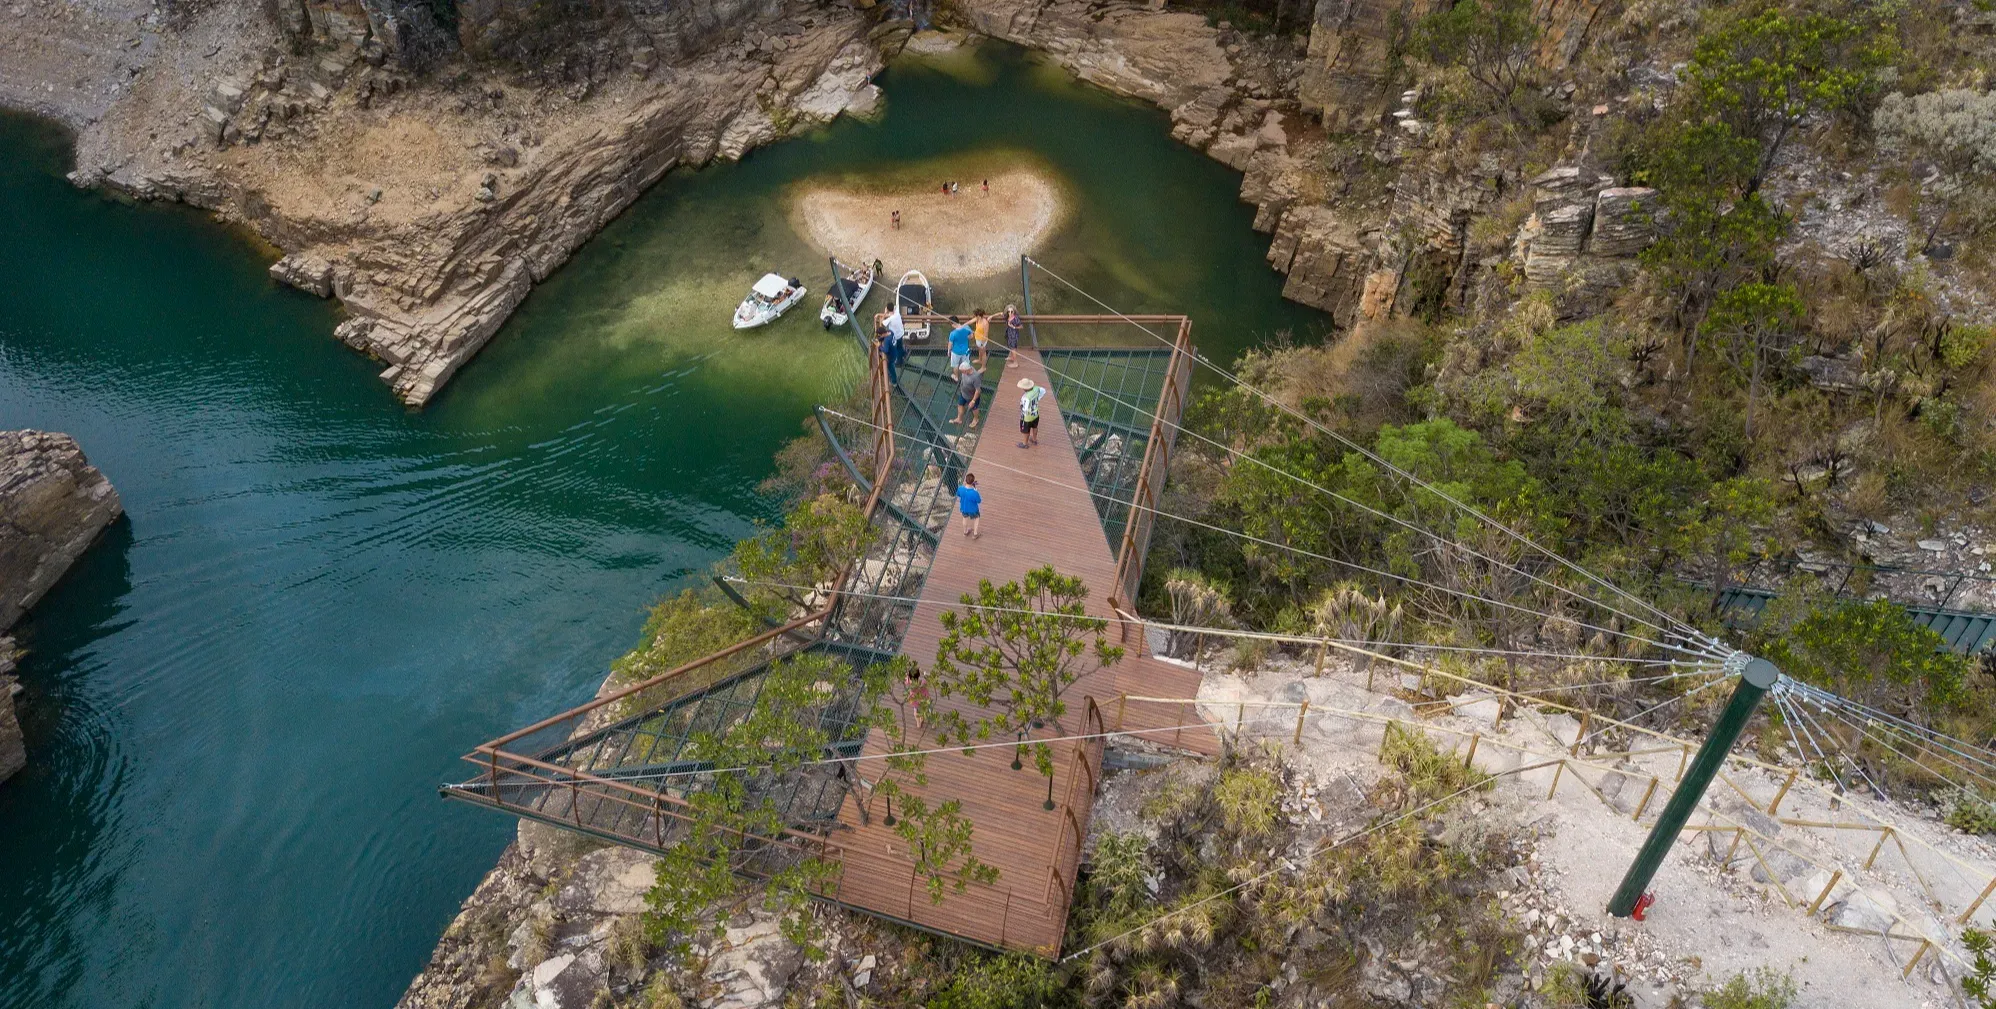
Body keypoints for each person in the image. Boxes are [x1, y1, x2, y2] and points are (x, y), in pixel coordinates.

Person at [1017, 377, 1047, 449]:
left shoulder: (1026, 397)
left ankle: (1025, 444)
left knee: (1026, 430)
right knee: (1035, 427)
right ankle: (1034, 439)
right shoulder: (1036, 389)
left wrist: (1022, 409)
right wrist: (1038, 398)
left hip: (1027, 417)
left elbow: (1026, 408)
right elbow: (1043, 390)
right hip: (1035, 414)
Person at [956, 472, 982, 539]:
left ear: (966, 480)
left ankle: (965, 532)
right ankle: (975, 534)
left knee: (965, 518)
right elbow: (979, 501)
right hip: (973, 509)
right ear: (973, 482)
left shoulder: (961, 488)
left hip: (964, 508)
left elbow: (958, 494)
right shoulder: (974, 492)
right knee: (977, 518)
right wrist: (976, 491)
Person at [1003, 304, 1022, 369]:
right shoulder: (1007, 317)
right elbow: (1000, 313)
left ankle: (1015, 363)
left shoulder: (1016, 318)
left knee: (1013, 348)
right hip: (1009, 334)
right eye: (1008, 311)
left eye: (1011, 311)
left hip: (1014, 335)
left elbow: (1021, 326)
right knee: (1010, 346)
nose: (1010, 313)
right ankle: (1012, 357)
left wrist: (1013, 327)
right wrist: (991, 316)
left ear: (1014, 311)